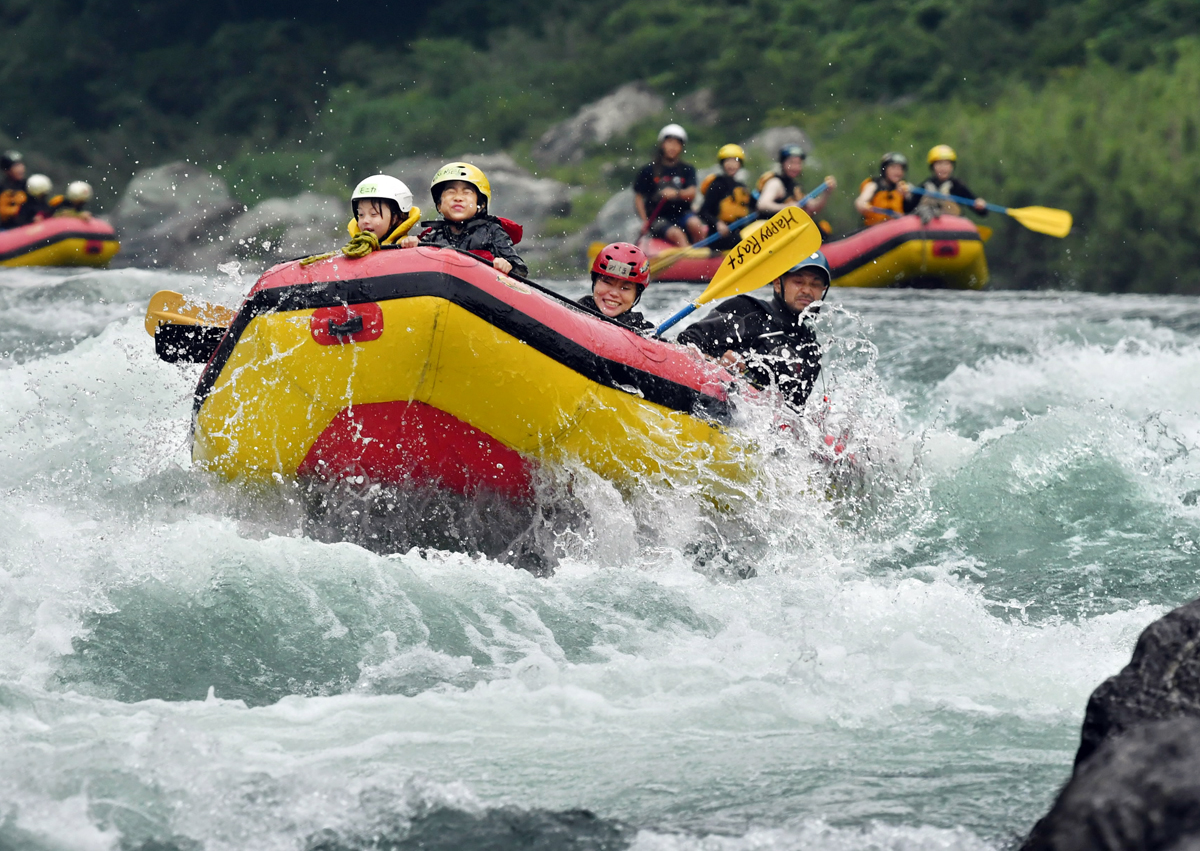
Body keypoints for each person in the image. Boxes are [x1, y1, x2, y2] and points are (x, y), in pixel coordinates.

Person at [676, 251, 830, 410]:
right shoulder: (745, 310)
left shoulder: (811, 350)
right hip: (705, 405)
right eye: (798, 281)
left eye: (815, 285)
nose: (807, 290)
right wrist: (718, 364)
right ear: (778, 283)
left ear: (823, 290)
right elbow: (686, 342)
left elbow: (794, 411)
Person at [400, 161, 527, 277]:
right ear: (439, 205)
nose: (458, 198)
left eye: (467, 192)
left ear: (481, 204)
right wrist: (411, 246)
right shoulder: (433, 236)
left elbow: (520, 269)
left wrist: (508, 265)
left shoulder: (492, 231)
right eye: (450, 192)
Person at [633, 124, 707, 247]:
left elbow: (692, 193)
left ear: (681, 147)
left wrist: (676, 194)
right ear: (663, 144)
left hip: (682, 213)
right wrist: (645, 221)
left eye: (677, 144)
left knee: (696, 225)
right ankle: (689, 259)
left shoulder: (687, 169)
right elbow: (639, 197)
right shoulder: (649, 170)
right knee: (677, 234)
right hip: (658, 217)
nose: (673, 147)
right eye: (670, 142)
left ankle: (702, 255)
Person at [578, 242, 655, 334]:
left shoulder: (644, 331)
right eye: (607, 282)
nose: (614, 293)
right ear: (595, 282)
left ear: (636, 294)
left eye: (625, 288)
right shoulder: (575, 312)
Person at [698, 143, 753, 251]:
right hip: (718, 235)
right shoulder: (717, 185)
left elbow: (756, 205)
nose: (731, 165)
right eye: (728, 161)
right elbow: (703, 211)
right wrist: (718, 224)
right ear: (722, 163)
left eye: (735, 161)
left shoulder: (741, 187)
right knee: (737, 240)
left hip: (737, 231)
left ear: (740, 164)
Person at [756, 145, 836, 219]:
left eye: (798, 163)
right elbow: (763, 205)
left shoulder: (796, 187)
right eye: (791, 162)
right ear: (783, 163)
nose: (795, 167)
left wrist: (826, 193)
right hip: (772, 231)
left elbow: (813, 208)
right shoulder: (775, 183)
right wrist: (786, 207)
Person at [917, 144, 987, 221]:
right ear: (933, 166)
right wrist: (907, 195)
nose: (943, 168)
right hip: (929, 224)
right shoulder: (925, 185)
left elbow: (981, 212)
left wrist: (980, 206)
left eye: (947, 164)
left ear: (952, 166)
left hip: (951, 225)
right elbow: (908, 207)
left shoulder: (957, 186)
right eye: (939, 164)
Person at [854, 152, 918, 227]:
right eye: (893, 167)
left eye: (901, 168)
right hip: (874, 229)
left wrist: (907, 196)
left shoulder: (905, 188)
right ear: (885, 169)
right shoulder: (873, 185)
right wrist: (862, 205)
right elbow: (860, 201)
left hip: (898, 229)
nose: (898, 172)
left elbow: (915, 207)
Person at [350, 174, 414, 241]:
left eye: (373, 214)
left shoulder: (407, 245)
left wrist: (413, 243)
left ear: (397, 218)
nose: (365, 221)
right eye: (361, 214)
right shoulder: (354, 248)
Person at [0, 151, 28, 229]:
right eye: (16, 166)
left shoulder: (28, 186)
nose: (20, 169)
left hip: (26, 226)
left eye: (21, 165)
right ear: (7, 170)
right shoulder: (2, 187)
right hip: (6, 228)